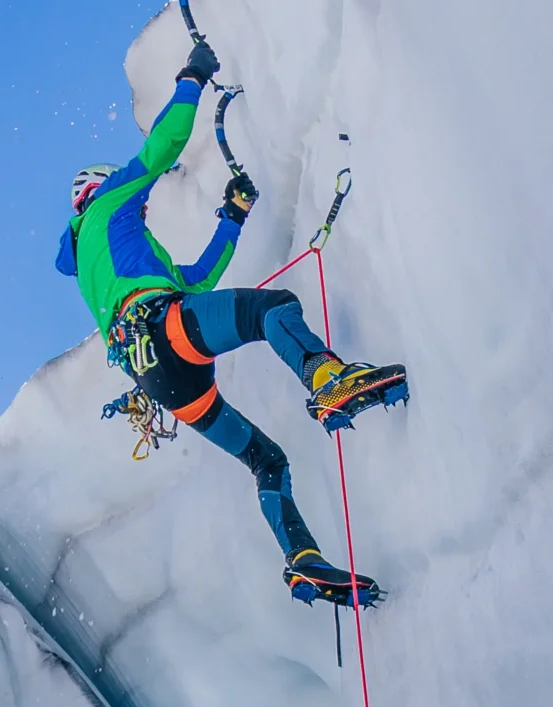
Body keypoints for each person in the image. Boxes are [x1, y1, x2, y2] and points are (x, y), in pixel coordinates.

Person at [55, 38, 407, 606]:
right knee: (270, 309)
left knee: (267, 461)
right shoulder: (108, 204)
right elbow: (163, 146)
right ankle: (327, 381)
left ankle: (303, 560)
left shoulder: (104, 269)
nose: (143, 207)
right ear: (95, 190)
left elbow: (193, 283)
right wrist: (193, 76)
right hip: (161, 330)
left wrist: (231, 218)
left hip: (165, 382)